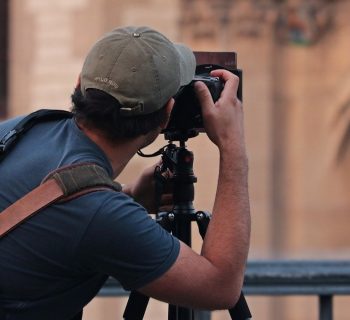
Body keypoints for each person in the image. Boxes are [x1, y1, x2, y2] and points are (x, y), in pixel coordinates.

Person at [0, 26, 250, 319]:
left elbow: (60, 218)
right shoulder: (100, 213)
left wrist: (129, 196)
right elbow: (220, 287)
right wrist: (233, 147)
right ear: (166, 113)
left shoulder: (21, 130)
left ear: (80, 85)